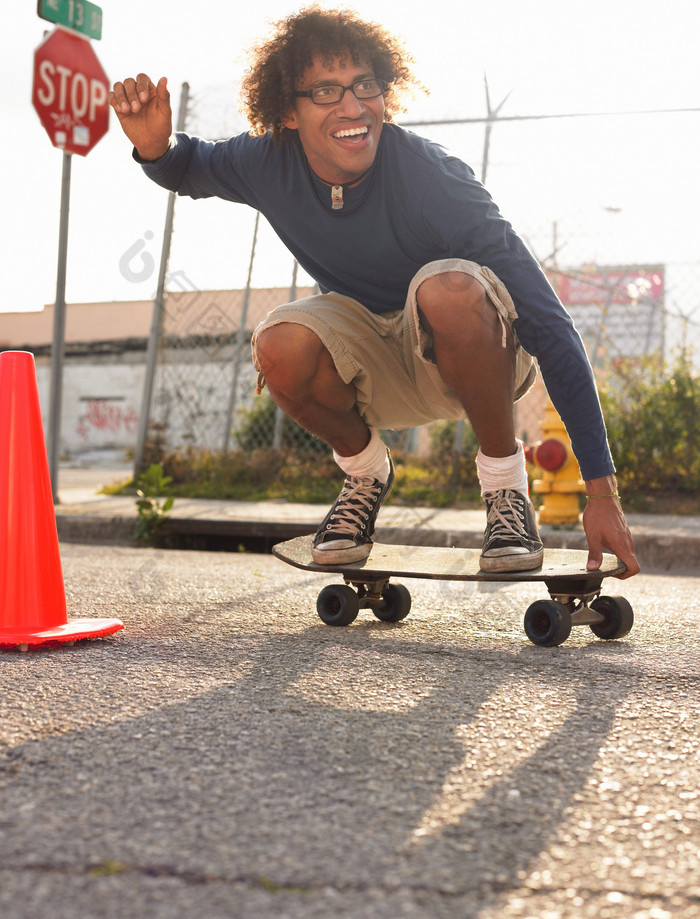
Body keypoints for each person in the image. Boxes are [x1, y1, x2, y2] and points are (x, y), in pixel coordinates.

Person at [109, 5, 639, 578]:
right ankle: (365, 472)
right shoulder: (267, 162)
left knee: (449, 288)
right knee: (280, 342)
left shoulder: (435, 179)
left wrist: (602, 491)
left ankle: (505, 491)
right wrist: (155, 150)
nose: (354, 107)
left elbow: (549, 323)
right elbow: (189, 167)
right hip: (371, 370)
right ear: (287, 111)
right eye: (327, 92)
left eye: (366, 85)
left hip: (472, 358)